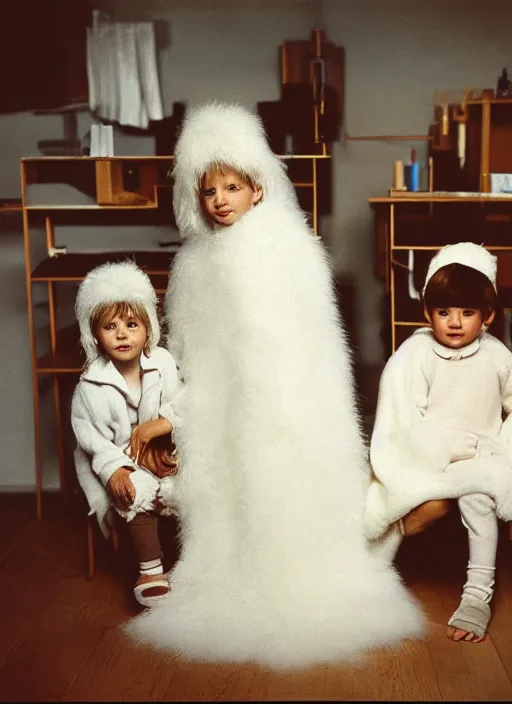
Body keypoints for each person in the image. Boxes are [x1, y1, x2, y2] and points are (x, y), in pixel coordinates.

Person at [125, 102, 423, 670]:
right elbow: (198, 358)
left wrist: (207, 412)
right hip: (223, 412)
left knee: (279, 501)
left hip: (281, 410)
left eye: (231, 187)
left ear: (257, 189)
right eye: (209, 190)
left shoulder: (282, 250)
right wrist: (183, 416)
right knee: (230, 503)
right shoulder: (195, 264)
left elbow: (285, 354)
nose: (220, 200)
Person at [365, 242, 512, 643]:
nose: (455, 322)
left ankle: (477, 594)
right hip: (430, 457)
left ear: (488, 316)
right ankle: (374, 564)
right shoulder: (416, 354)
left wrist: (500, 446)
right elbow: (401, 417)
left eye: (468, 312)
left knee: (479, 497)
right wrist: (441, 450)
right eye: (444, 312)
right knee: (423, 506)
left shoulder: (498, 356)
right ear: (428, 314)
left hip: (482, 456)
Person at [71, 260, 181, 607]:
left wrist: (166, 435)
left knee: (190, 484)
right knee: (137, 491)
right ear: (96, 337)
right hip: (120, 458)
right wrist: (115, 469)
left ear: (148, 329)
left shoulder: (161, 363)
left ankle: (193, 561)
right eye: (110, 327)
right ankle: (151, 569)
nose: (122, 334)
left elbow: (181, 405)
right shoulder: (90, 386)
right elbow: (91, 440)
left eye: (132, 324)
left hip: (163, 450)